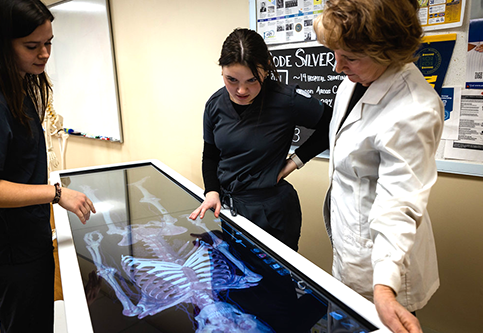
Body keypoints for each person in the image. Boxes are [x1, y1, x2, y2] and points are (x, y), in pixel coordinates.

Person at [313, 0, 442, 332]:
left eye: (350, 58)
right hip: (351, 246)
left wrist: (384, 287)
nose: (337, 67)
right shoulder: (357, 78)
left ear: (389, 53)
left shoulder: (414, 109)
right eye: (335, 53)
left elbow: (399, 201)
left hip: (383, 262)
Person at [0, 1, 96, 332]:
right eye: (32, 46)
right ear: (0, 43)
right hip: (10, 246)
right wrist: (56, 193)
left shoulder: (19, 81)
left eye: (49, 43)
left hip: (27, 235)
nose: (45, 54)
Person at [189, 28, 331, 251]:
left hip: (273, 212)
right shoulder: (215, 105)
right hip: (230, 207)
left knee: (274, 280)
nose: (241, 90)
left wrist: (293, 162)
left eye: (252, 80)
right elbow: (211, 155)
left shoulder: (287, 100)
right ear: (222, 71)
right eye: (231, 79)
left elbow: (332, 124)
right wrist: (212, 192)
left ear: (265, 69)